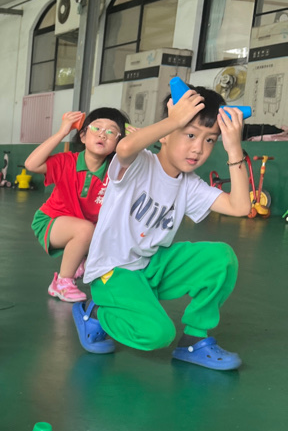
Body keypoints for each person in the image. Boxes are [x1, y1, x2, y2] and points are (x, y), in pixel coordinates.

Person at [72, 86, 250, 369]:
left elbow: (241, 207)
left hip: (151, 265)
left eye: (210, 140)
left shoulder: (190, 185)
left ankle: (194, 340)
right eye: (190, 135)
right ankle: (93, 312)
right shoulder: (139, 163)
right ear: (165, 133)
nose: (198, 148)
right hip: (113, 271)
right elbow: (124, 147)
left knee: (220, 259)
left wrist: (234, 147)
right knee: (157, 334)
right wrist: (174, 120)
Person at [25, 108, 126, 302]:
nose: (103, 134)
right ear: (83, 136)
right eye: (97, 128)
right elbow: (31, 164)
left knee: (118, 231)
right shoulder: (66, 162)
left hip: (90, 228)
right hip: (52, 221)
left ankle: (82, 260)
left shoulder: (115, 172)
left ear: (117, 144)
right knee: (85, 229)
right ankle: (62, 282)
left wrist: (135, 142)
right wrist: (62, 132)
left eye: (111, 131)